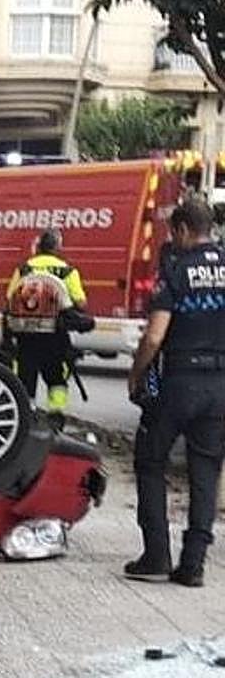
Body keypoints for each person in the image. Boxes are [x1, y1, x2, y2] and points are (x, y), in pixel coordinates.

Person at [126, 197, 225, 587]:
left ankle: (156, 557)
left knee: (151, 461)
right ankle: (193, 564)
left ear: (183, 229)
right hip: (219, 385)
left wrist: (137, 374)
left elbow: (154, 337)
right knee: (205, 470)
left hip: (178, 381)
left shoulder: (175, 270)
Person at [4, 228, 88, 429]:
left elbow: (10, 297)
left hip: (26, 335)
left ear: (39, 247)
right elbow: (81, 302)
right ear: (58, 248)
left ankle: (26, 416)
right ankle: (56, 415)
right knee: (56, 378)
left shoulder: (24, 269)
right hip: (55, 336)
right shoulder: (67, 271)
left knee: (25, 377)